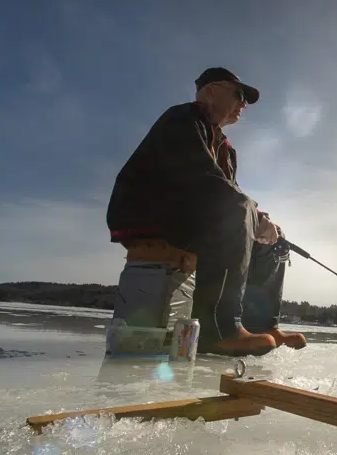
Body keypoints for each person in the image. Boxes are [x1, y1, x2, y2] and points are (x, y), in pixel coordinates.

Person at [106, 67, 307, 356]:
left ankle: (263, 324)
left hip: (190, 220)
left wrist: (261, 221)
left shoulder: (226, 149)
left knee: (275, 240)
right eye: (239, 94)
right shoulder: (182, 119)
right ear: (211, 90)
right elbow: (203, 180)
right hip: (152, 215)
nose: (243, 104)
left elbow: (227, 190)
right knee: (239, 208)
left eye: (246, 101)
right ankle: (218, 329)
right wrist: (251, 213)